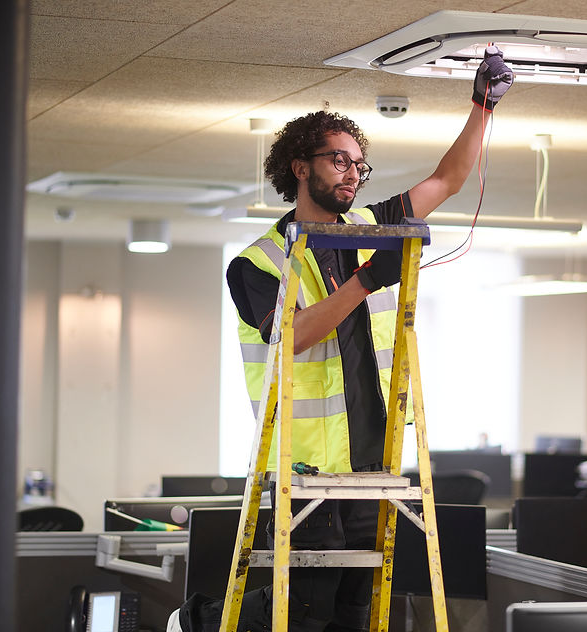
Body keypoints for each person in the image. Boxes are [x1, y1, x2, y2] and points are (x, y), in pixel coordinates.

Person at [179, 47, 513, 632]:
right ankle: (201, 621)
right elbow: (294, 337)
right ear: (299, 168)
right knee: (305, 614)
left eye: (358, 163)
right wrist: (363, 281)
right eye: (337, 160)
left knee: (354, 616)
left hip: (373, 461)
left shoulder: (371, 232)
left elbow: (447, 179)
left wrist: (482, 107)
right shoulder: (257, 263)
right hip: (304, 465)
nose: (351, 172)